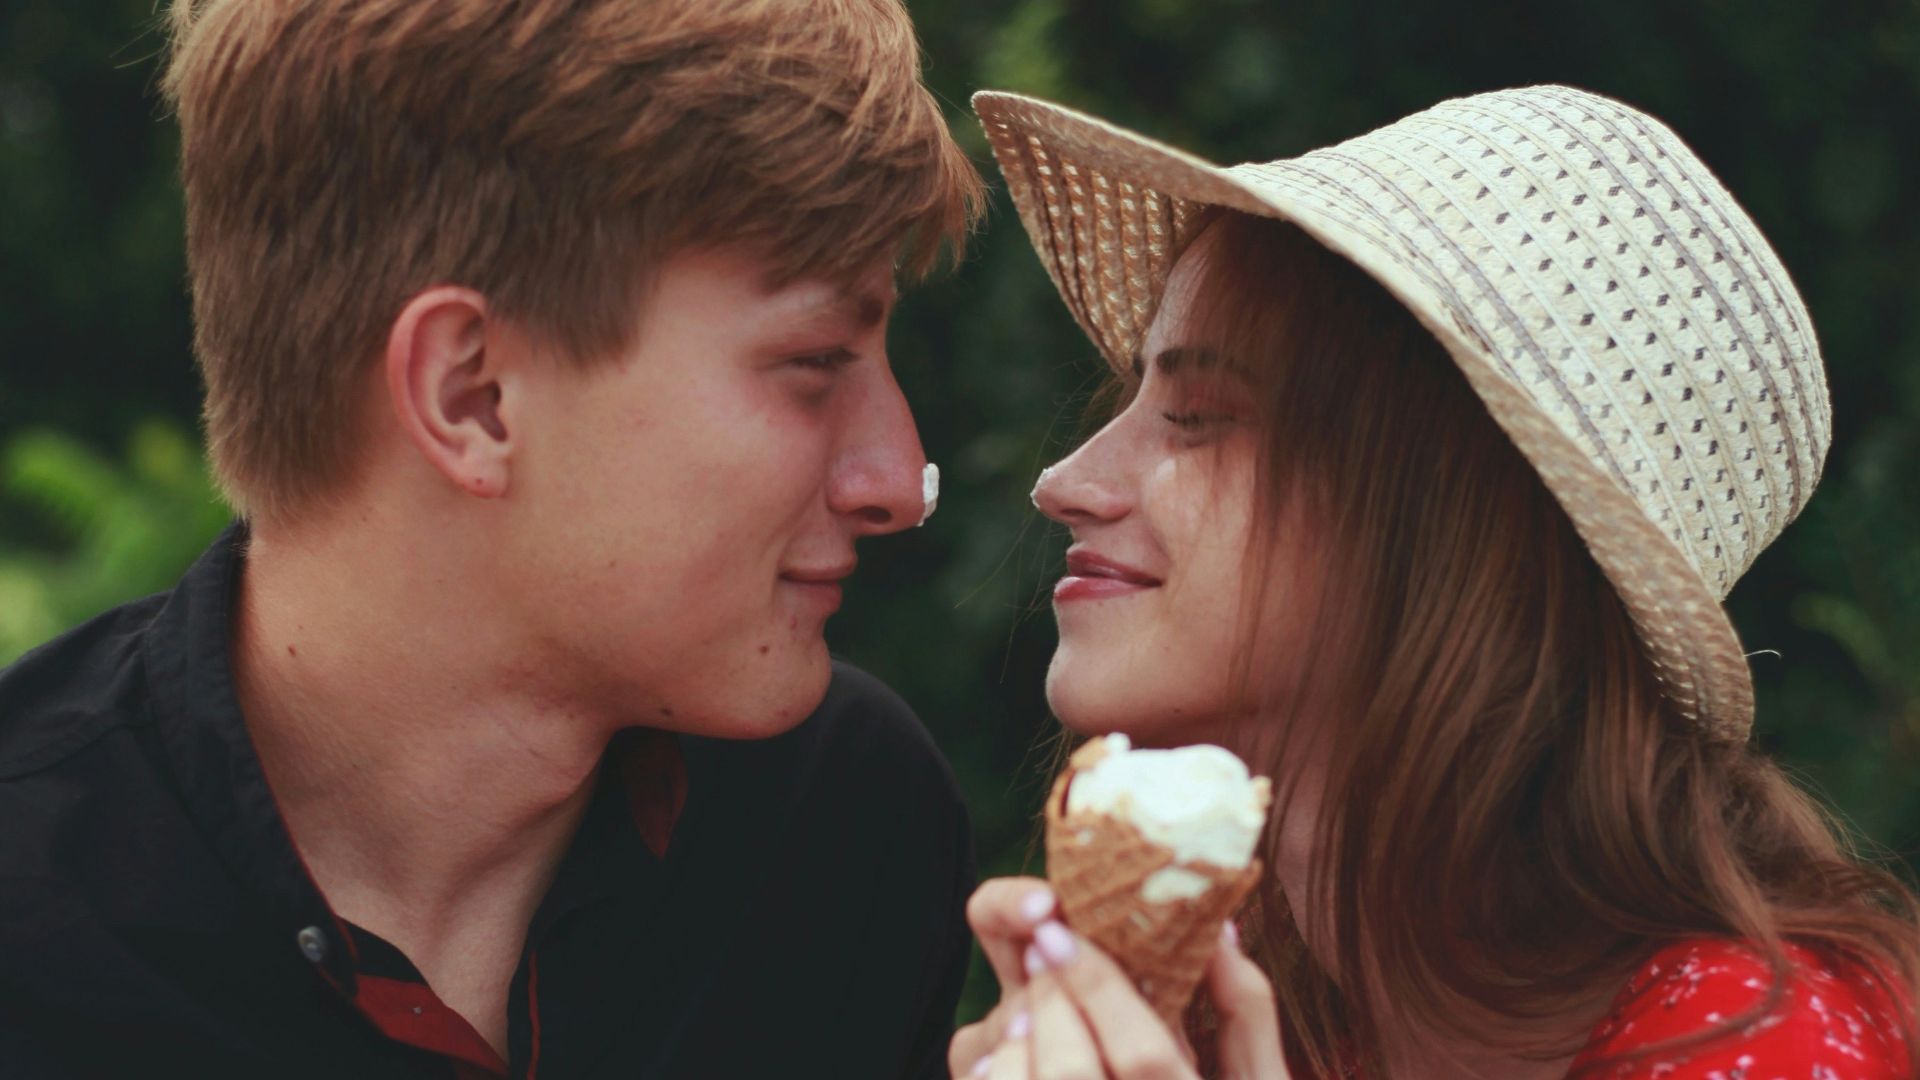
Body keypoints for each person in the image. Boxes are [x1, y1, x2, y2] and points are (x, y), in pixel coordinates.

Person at [0, 1, 982, 1076]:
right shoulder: (34, 940)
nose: (897, 479)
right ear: (472, 396)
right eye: (814, 361)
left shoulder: (850, 829)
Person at [954, 86, 1919, 1079]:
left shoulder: (1760, 1043)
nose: (1065, 483)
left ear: (1436, 522)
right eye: (1134, 396)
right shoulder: (1229, 1002)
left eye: (1198, 415)